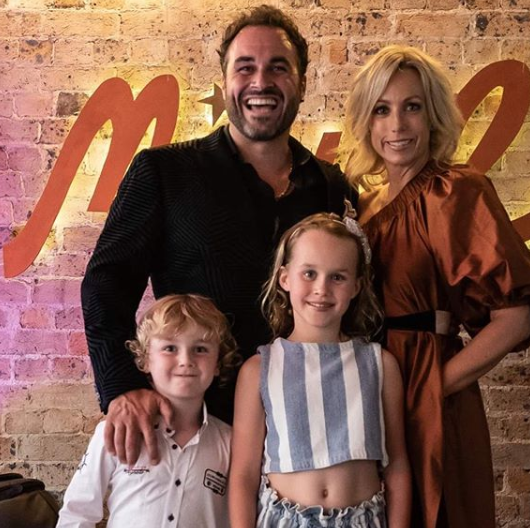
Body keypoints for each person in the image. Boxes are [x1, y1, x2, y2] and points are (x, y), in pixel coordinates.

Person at [81, 5, 356, 466]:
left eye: (278, 68)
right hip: (197, 430)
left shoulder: (332, 186)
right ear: (225, 79)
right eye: (245, 67)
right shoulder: (164, 171)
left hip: (306, 434)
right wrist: (121, 386)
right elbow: (106, 283)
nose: (260, 82)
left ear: (302, 83)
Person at [339, 45, 530, 528]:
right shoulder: (360, 205)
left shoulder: (454, 191)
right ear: (365, 119)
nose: (397, 125)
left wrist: (435, 387)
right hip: (368, 389)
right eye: (382, 109)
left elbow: (514, 317)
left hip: (429, 393)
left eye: (412, 107)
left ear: (433, 114)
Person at [229, 213, 412, 528]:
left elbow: (397, 469)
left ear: (357, 286)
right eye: (309, 273)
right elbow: (244, 476)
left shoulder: (379, 365)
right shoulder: (259, 369)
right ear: (285, 278)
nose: (322, 289)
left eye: (338, 277)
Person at [53, 294, 239, 528]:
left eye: (201, 349)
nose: (185, 360)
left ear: (218, 363)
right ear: (144, 359)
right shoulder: (112, 433)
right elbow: (77, 514)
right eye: (169, 348)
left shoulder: (231, 445)